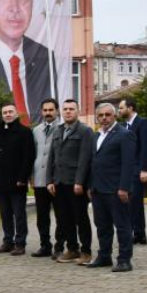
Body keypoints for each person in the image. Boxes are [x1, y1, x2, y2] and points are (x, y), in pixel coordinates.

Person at [87, 103, 137, 272]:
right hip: (98, 189)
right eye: (100, 115)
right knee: (102, 226)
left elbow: (128, 164)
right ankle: (104, 256)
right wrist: (90, 185)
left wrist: (124, 188)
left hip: (116, 190)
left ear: (114, 116)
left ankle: (124, 260)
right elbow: (93, 163)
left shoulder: (125, 135)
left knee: (122, 226)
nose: (104, 118)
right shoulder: (96, 136)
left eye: (108, 115)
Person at [48, 99, 94, 265]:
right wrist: (50, 180)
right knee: (65, 218)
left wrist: (80, 182)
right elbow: (52, 158)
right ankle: (72, 249)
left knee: (80, 218)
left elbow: (85, 159)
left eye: (71, 109)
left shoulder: (85, 131)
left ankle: (86, 251)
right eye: (65, 109)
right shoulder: (58, 131)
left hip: (76, 184)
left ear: (78, 111)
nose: (68, 111)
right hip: (59, 183)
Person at [0, 104, 36, 256]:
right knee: (5, 214)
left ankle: (20, 243)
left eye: (10, 112)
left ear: (16, 113)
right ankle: (8, 241)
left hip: (16, 181)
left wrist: (23, 177)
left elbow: (28, 157)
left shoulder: (24, 132)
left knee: (19, 214)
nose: (7, 114)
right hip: (0, 180)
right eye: (5, 112)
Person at [118, 99, 147, 245]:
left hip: (139, 169)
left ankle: (133, 232)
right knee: (136, 203)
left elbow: (146, 147)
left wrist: (145, 169)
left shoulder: (142, 122)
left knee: (133, 203)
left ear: (130, 108)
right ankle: (140, 234)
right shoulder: (126, 125)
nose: (119, 111)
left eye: (121, 108)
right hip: (129, 169)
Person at [31, 98, 61, 258]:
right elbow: (32, 154)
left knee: (60, 215)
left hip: (56, 180)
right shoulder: (36, 130)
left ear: (56, 111)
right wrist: (32, 176)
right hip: (40, 179)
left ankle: (59, 246)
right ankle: (45, 245)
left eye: (51, 110)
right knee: (42, 216)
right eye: (45, 110)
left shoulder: (63, 128)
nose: (48, 113)